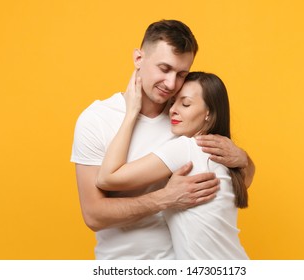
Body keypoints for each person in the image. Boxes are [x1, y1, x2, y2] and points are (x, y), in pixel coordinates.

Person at [71, 19, 255, 259]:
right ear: (138, 59)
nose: (171, 84)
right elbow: (94, 215)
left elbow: (232, 183)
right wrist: (165, 198)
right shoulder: (96, 120)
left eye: (181, 74)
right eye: (164, 69)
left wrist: (243, 159)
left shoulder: (184, 118)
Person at [96, 71, 250, 259]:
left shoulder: (187, 148)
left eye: (185, 104)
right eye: (173, 102)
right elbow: (248, 178)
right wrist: (244, 158)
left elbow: (107, 178)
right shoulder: (223, 156)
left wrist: (131, 113)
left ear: (209, 113)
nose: (173, 110)